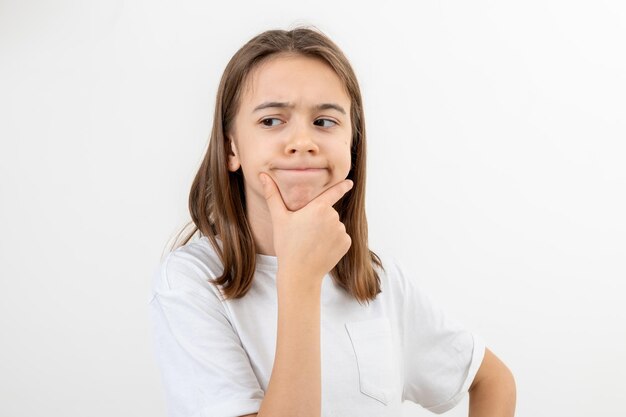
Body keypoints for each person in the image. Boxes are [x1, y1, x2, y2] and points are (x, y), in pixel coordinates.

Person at [149, 26, 516, 417]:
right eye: (272, 121)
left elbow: (493, 380)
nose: (302, 141)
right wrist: (301, 279)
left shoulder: (379, 279)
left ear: (352, 144)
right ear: (231, 149)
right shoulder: (190, 283)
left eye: (325, 122)